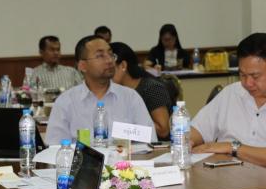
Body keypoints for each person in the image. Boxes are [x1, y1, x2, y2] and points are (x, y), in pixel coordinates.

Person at [46, 35, 157, 145]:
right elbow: (55, 147)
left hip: (125, 157)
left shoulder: (130, 97)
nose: (109, 60)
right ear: (82, 66)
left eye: (111, 54)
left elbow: (150, 141)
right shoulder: (66, 102)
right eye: (100, 56)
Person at [190, 32, 266, 167]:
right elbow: (198, 129)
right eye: (242, 75)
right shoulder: (231, 93)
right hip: (224, 174)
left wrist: (232, 147)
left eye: (255, 76)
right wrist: (187, 141)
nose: (248, 83)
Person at [111, 42, 172, 139]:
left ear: (123, 66)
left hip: (155, 146)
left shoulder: (151, 88)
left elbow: (163, 130)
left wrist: (125, 126)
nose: (106, 74)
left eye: (110, 68)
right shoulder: (114, 91)